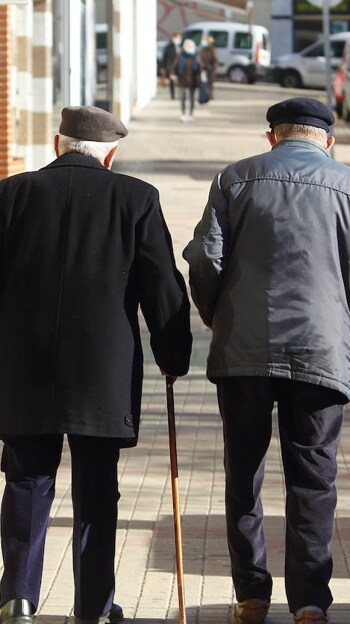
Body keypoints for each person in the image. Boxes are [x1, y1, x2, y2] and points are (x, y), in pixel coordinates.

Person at [0, 105, 192, 624]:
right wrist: (174, 357)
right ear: (110, 154)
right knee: (96, 483)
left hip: (23, 365)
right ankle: (93, 604)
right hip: (101, 369)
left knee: (26, 477)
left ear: (57, 145)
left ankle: (17, 594)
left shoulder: (12, 194)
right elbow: (163, 288)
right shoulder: (136, 198)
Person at [183, 97, 350, 624]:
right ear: (327, 140)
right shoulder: (346, 185)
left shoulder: (235, 180)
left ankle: (251, 594)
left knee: (243, 472)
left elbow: (206, 260)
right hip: (322, 350)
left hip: (245, 351)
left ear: (272, 136)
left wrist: (219, 319)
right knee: (314, 478)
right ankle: (309, 602)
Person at [170, 38, 201, 122]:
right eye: (187, 46)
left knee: (192, 98)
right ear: (183, 47)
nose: (189, 47)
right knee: (182, 97)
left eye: (190, 46)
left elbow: (200, 68)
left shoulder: (196, 57)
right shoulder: (180, 56)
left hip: (192, 81)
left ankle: (191, 114)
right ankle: (183, 114)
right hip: (182, 80)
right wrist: (172, 75)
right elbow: (173, 66)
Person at [161, 32, 181, 100]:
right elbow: (165, 57)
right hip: (171, 66)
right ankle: (172, 95)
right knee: (172, 81)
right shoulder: (169, 46)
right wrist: (163, 67)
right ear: (173, 38)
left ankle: (180, 94)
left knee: (179, 80)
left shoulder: (179, 46)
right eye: (177, 38)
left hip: (178, 66)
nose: (178, 39)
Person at [198, 35, 218, 100]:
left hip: (210, 69)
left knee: (209, 83)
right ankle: (204, 95)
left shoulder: (212, 49)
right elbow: (200, 58)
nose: (203, 42)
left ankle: (209, 95)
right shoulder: (203, 49)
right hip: (203, 69)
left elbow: (215, 60)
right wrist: (201, 64)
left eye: (205, 40)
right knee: (203, 82)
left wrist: (212, 68)